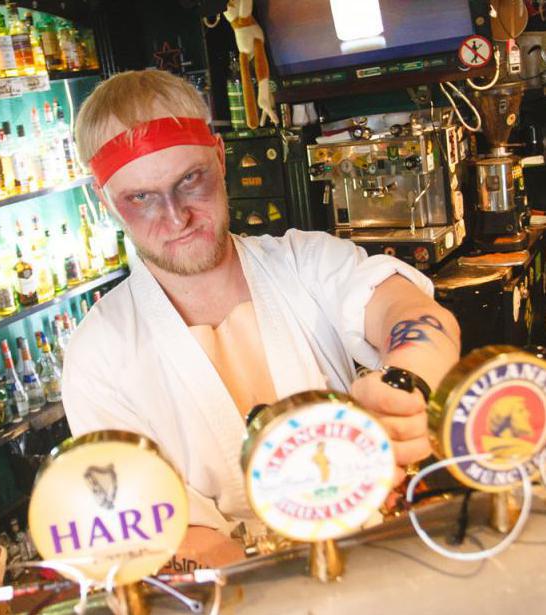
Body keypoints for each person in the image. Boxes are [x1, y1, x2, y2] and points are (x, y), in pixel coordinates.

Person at [61, 70, 461, 567]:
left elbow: (411, 310)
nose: (176, 215)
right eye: (140, 197)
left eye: (190, 179)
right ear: (106, 202)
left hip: (377, 555)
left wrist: (407, 384)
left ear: (220, 158)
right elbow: (152, 531)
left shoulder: (305, 261)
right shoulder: (98, 353)